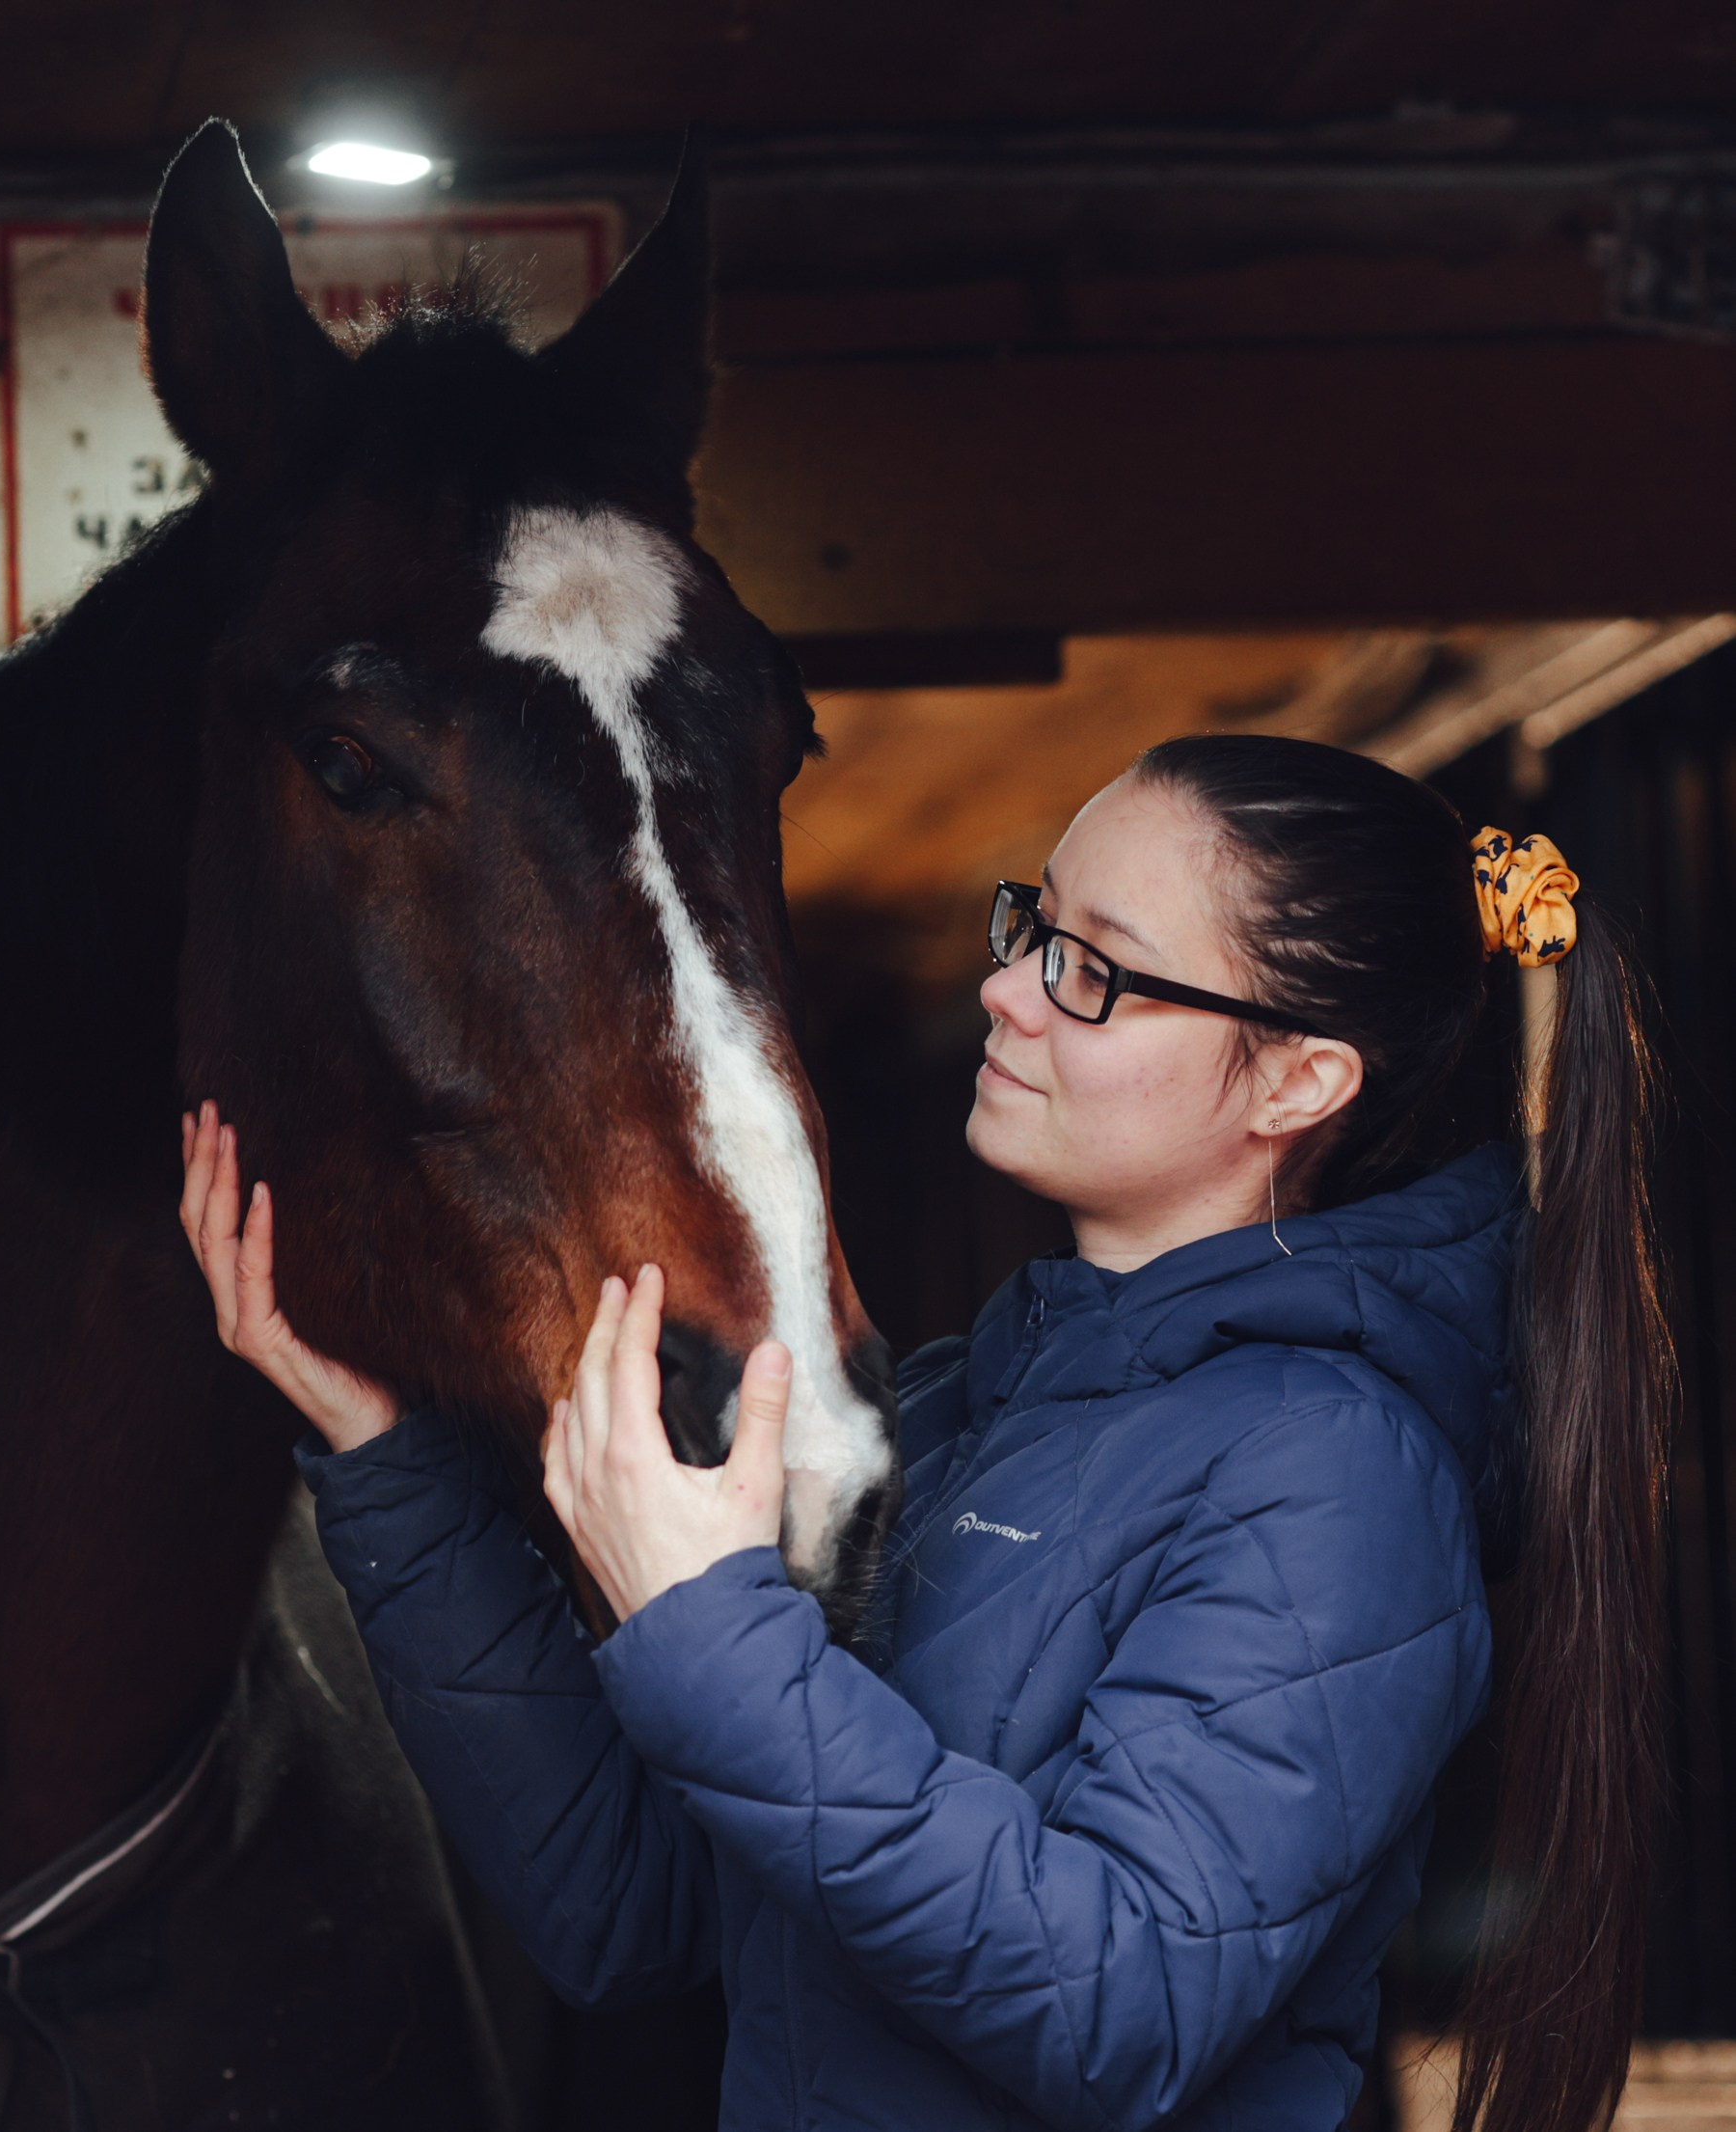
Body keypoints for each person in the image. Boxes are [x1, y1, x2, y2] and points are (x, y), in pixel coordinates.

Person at [178, 733, 1669, 2132]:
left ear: (1297, 1079)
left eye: (1095, 971)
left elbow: (1119, 2006)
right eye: (1038, 926)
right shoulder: (974, 1403)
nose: (1010, 988)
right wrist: (392, 1457)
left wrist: (712, 1629)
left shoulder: (1341, 1477)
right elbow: (628, 1905)